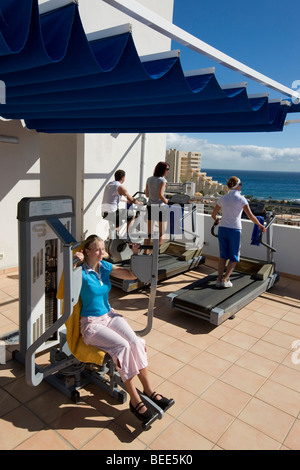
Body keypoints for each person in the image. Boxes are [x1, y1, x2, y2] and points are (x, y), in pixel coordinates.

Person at [74, 234, 173, 423]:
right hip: (92, 323)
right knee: (122, 347)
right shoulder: (80, 272)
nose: (102, 253)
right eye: (98, 249)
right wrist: (74, 263)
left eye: (103, 249)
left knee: (135, 342)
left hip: (109, 315)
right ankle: (135, 401)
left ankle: (149, 391)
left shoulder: (104, 267)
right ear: (87, 251)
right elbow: (64, 284)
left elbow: (130, 275)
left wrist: (135, 256)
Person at [211, 176, 266, 288]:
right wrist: (260, 225)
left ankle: (219, 279)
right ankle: (226, 280)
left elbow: (213, 214)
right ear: (238, 186)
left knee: (223, 256)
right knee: (234, 256)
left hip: (222, 229)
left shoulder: (223, 198)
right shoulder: (241, 199)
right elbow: (251, 216)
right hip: (234, 230)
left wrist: (217, 220)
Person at [102, 169, 142, 236]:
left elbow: (113, 198)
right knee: (132, 215)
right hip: (112, 212)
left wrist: (126, 201)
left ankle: (112, 238)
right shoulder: (120, 187)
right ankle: (127, 236)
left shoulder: (109, 185)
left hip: (104, 213)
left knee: (118, 223)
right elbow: (131, 199)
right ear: (123, 178)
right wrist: (139, 203)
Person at [144, 161, 170, 252]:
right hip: (160, 207)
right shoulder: (163, 180)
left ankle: (145, 254)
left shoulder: (149, 179)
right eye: (167, 169)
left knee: (149, 233)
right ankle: (155, 254)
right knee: (162, 233)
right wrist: (166, 200)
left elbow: (147, 194)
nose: (168, 171)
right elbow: (160, 195)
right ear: (163, 170)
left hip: (150, 206)